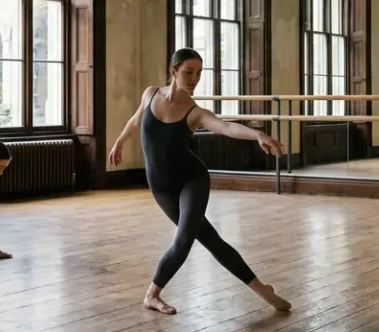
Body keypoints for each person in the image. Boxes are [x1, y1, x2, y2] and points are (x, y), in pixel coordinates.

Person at [108, 48, 293, 315]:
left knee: (184, 240)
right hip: (160, 186)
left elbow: (226, 127)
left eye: (198, 73)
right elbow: (136, 120)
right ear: (173, 71)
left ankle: (152, 294)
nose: (194, 79)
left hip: (191, 180)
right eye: (188, 72)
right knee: (210, 239)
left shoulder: (194, 112)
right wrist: (119, 142)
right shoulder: (150, 94)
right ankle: (263, 289)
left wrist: (257, 134)